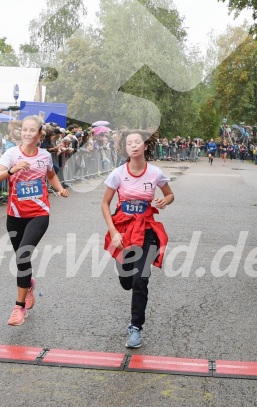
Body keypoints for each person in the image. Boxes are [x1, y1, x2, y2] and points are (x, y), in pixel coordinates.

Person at [0, 115, 69, 327]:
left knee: (23, 254)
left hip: (39, 213)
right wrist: (11, 170)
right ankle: (29, 285)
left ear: (39, 134)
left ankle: (19, 307)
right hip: (15, 215)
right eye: (24, 129)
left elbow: (51, 175)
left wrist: (59, 189)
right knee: (21, 259)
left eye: (32, 130)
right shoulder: (11, 154)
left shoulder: (44, 156)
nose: (27, 133)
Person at [101, 129, 174, 349]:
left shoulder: (155, 173)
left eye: (137, 142)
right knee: (127, 282)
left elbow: (170, 194)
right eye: (129, 143)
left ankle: (135, 327)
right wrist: (113, 232)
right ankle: (125, 273)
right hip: (123, 231)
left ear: (145, 146)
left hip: (147, 230)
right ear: (125, 148)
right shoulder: (118, 174)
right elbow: (104, 204)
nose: (133, 145)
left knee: (140, 280)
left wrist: (165, 201)